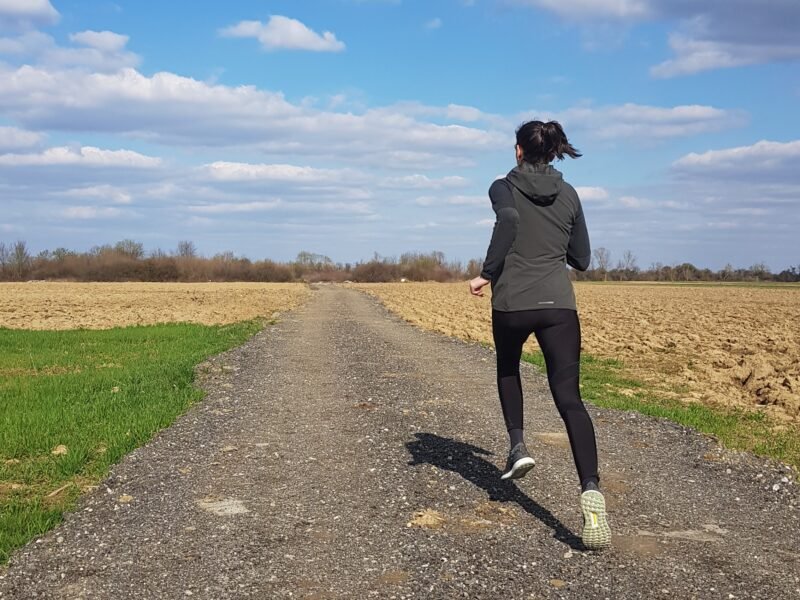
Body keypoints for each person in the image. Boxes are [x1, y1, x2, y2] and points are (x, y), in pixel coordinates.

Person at [468, 120, 610, 550]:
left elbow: (508, 220)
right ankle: (591, 489)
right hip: (559, 307)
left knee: (508, 369)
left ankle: (518, 446)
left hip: (512, 303)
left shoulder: (501, 186)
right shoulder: (570, 195)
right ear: (553, 153)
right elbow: (582, 259)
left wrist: (485, 274)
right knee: (570, 399)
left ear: (517, 151)